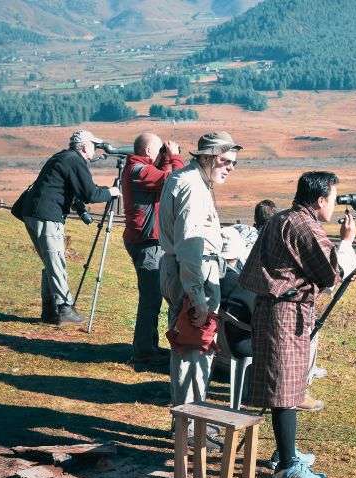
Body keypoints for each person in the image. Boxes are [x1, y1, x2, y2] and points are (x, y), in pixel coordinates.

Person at [239, 171, 356, 478]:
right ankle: (287, 465)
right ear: (320, 201)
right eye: (333, 199)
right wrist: (346, 242)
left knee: (287, 384)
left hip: (279, 310)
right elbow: (332, 275)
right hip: (284, 313)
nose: (335, 205)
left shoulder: (284, 218)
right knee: (283, 389)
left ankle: (285, 451)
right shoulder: (304, 226)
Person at [159, 131, 241, 411]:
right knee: (193, 349)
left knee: (192, 348)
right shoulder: (192, 186)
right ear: (210, 157)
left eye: (234, 163)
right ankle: (191, 425)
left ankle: (191, 420)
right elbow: (190, 246)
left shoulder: (191, 180)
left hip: (189, 272)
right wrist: (197, 298)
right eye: (227, 161)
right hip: (194, 275)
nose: (231, 168)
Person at [15, 129, 121, 325]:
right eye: (94, 146)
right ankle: (64, 308)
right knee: (56, 261)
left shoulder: (63, 157)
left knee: (51, 261)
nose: (96, 150)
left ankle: (50, 311)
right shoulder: (75, 160)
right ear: (84, 146)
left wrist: (82, 211)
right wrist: (112, 191)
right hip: (46, 215)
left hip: (34, 212)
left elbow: (70, 190)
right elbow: (90, 194)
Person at [121, 132, 183, 363]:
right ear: (148, 151)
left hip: (145, 241)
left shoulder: (140, 169)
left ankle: (148, 347)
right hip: (147, 243)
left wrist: (166, 159)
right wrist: (175, 157)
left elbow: (162, 179)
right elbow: (175, 181)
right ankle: (144, 351)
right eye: (159, 151)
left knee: (153, 297)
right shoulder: (140, 171)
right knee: (150, 299)